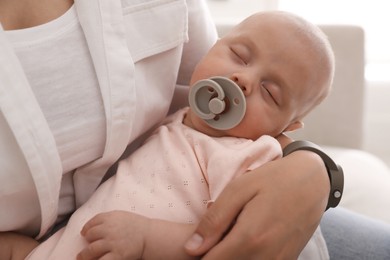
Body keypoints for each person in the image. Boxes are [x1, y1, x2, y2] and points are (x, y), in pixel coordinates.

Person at [1, 0, 390, 259]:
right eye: (239, 55)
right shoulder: (180, 122)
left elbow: (229, 241)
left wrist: (312, 165)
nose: (242, 80)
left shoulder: (246, 158)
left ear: (287, 126)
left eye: (270, 93)